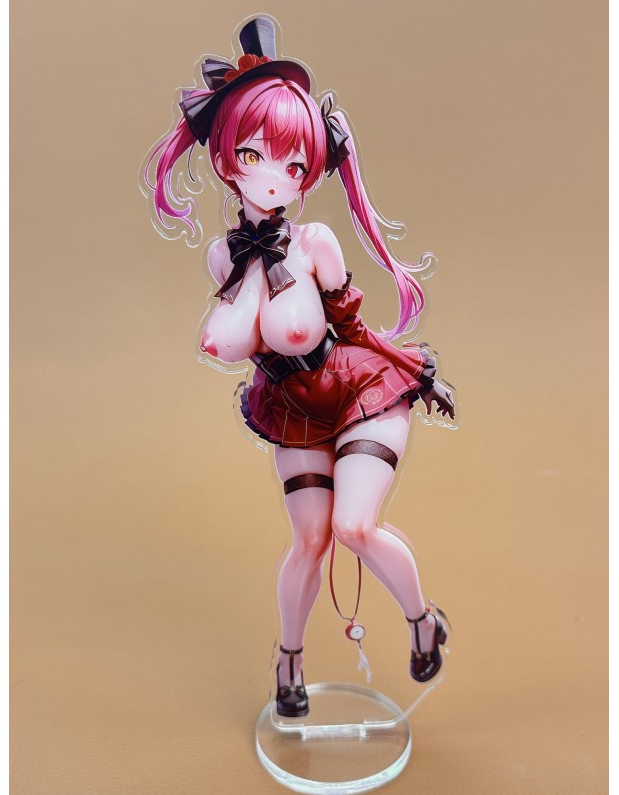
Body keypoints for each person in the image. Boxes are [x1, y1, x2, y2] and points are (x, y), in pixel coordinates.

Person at [144, 16, 454, 717]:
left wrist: (411, 371)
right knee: (309, 540)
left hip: (355, 390)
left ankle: (421, 619)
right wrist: (251, 283)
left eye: (295, 165)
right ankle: (288, 661)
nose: (278, 178)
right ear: (228, 160)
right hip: (290, 407)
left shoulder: (316, 242)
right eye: (257, 155)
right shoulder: (222, 258)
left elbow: (352, 327)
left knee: (354, 526)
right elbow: (240, 333)